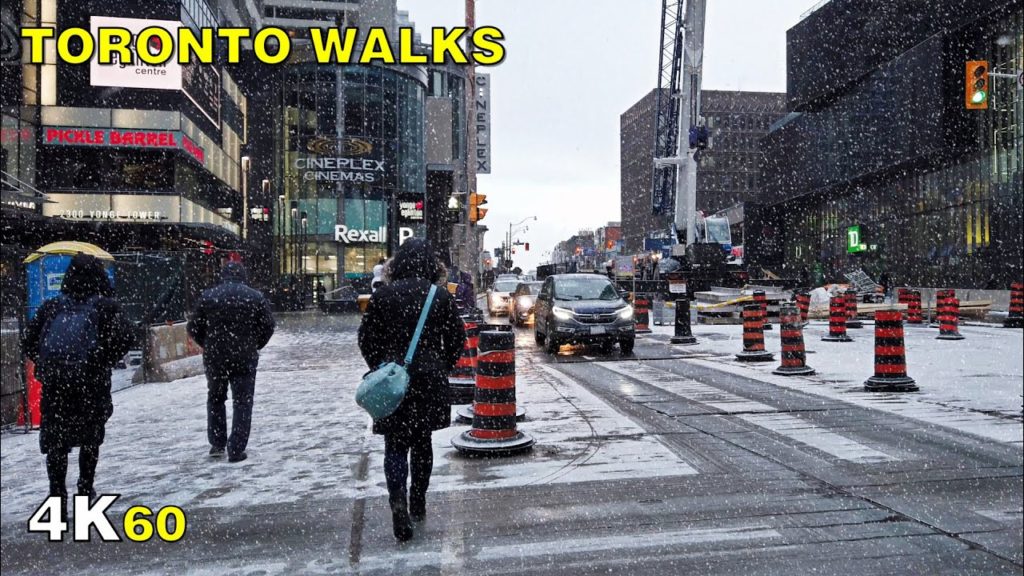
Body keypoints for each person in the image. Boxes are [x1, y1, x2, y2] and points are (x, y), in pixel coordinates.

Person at [358, 239, 466, 542]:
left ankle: (397, 501)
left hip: (394, 382)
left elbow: (366, 339)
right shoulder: (440, 297)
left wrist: (383, 367)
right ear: (431, 266)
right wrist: (440, 365)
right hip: (429, 381)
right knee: (422, 443)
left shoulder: (382, 296)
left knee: (395, 444)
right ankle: (417, 501)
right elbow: (457, 340)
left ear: (397, 265)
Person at [22, 254, 134, 516]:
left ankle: (57, 493)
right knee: (89, 439)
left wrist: (49, 364)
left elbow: (28, 341)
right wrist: (100, 359)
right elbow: (125, 338)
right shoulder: (105, 307)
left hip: (56, 384)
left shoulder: (51, 307)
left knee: (57, 442)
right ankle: (85, 488)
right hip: (90, 383)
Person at [187, 262, 275, 463]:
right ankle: (236, 448)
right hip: (244, 357)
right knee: (243, 402)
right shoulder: (255, 297)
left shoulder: (208, 296)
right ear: (243, 276)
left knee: (216, 398)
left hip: (215, 357)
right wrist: (255, 344)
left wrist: (208, 344)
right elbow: (268, 325)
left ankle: (217, 443)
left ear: (223, 276)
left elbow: (194, 327)